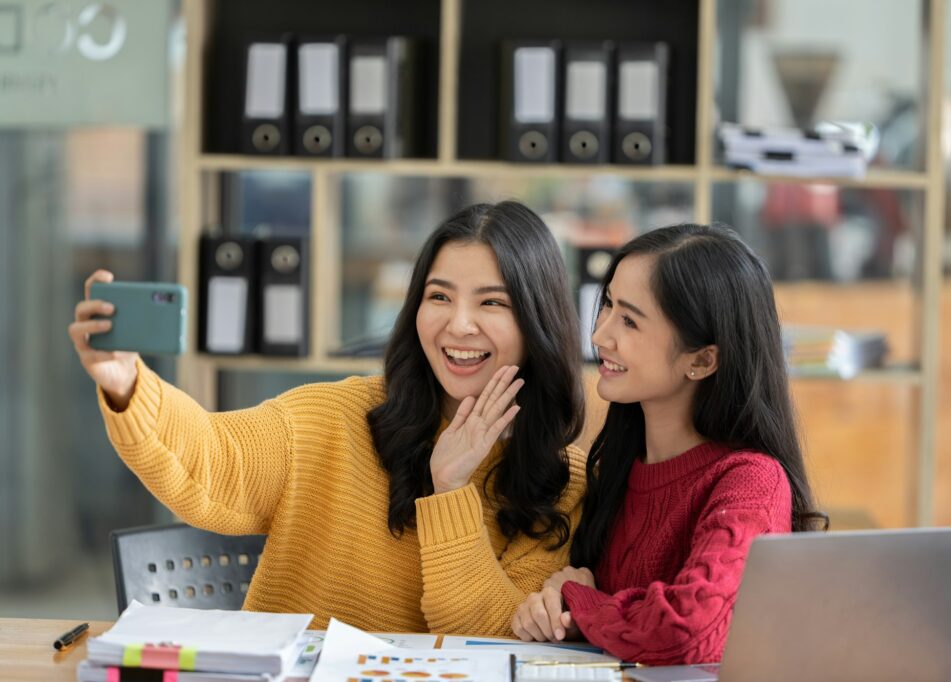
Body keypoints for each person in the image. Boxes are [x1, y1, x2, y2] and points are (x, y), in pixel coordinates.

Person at [69, 201, 587, 634]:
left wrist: (449, 488)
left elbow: (492, 640)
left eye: (491, 302)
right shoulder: (337, 416)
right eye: (439, 297)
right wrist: (128, 385)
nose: (459, 324)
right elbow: (212, 459)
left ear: (536, 319)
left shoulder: (567, 483)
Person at [511, 223, 827, 664]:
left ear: (701, 360)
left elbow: (684, 632)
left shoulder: (751, 483)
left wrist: (582, 603)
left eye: (629, 320)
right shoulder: (615, 471)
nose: (600, 335)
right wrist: (552, 607)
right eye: (607, 305)